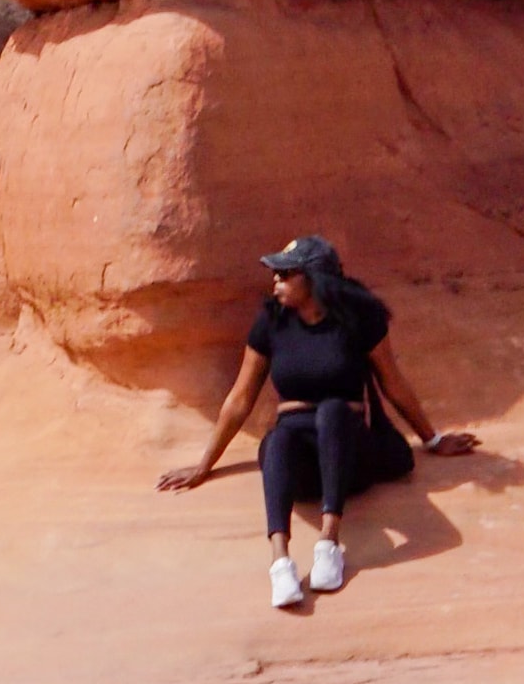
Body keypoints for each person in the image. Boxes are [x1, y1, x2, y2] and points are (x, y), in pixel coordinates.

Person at [156, 231, 476, 608]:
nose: (276, 280)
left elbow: (393, 382)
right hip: (304, 473)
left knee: (333, 410)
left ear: (315, 279)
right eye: (276, 273)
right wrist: (204, 465)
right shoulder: (271, 322)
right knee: (276, 440)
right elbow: (240, 398)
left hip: (351, 459)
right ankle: (281, 563)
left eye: (286, 273)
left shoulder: (358, 319)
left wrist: (433, 439)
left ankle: (329, 544)